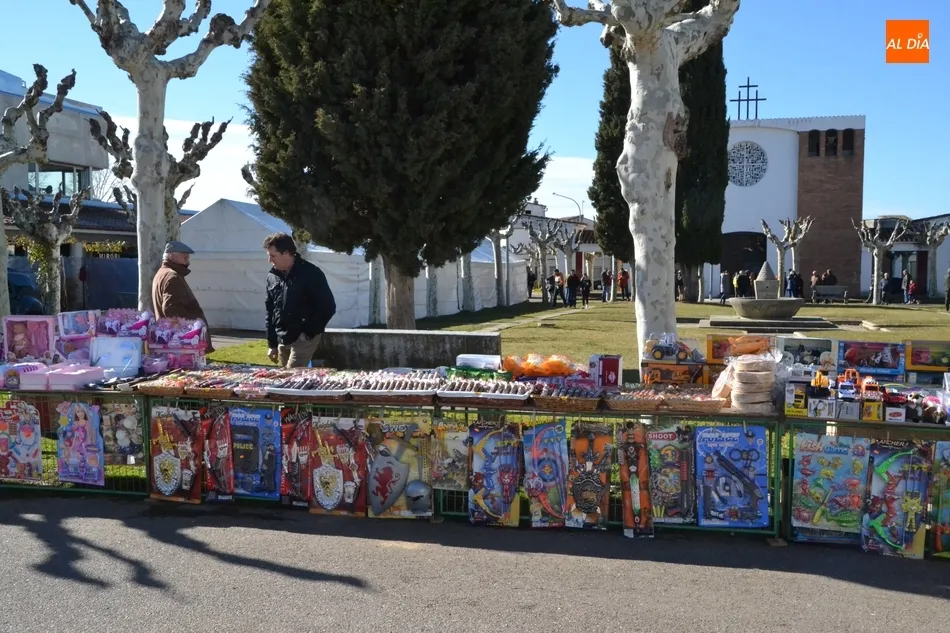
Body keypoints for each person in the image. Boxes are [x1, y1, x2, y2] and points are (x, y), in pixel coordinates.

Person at [263, 233, 336, 368]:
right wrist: (272, 344)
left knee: (291, 375)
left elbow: (328, 306)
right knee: (286, 376)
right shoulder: (272, 276)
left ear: (286, 253)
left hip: (303, 337)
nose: (269, 260)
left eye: (273, 256)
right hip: (282, 337)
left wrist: (308, 333)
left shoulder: (311, 273)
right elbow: (270, 310)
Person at [151, 240, 214, 353]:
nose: (187, 262)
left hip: (172, 339)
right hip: (182, 342)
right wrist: (193, 323)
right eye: (185, 258)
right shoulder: (172, 277)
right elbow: (171, 310)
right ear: (172, 257)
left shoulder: (162, 273)